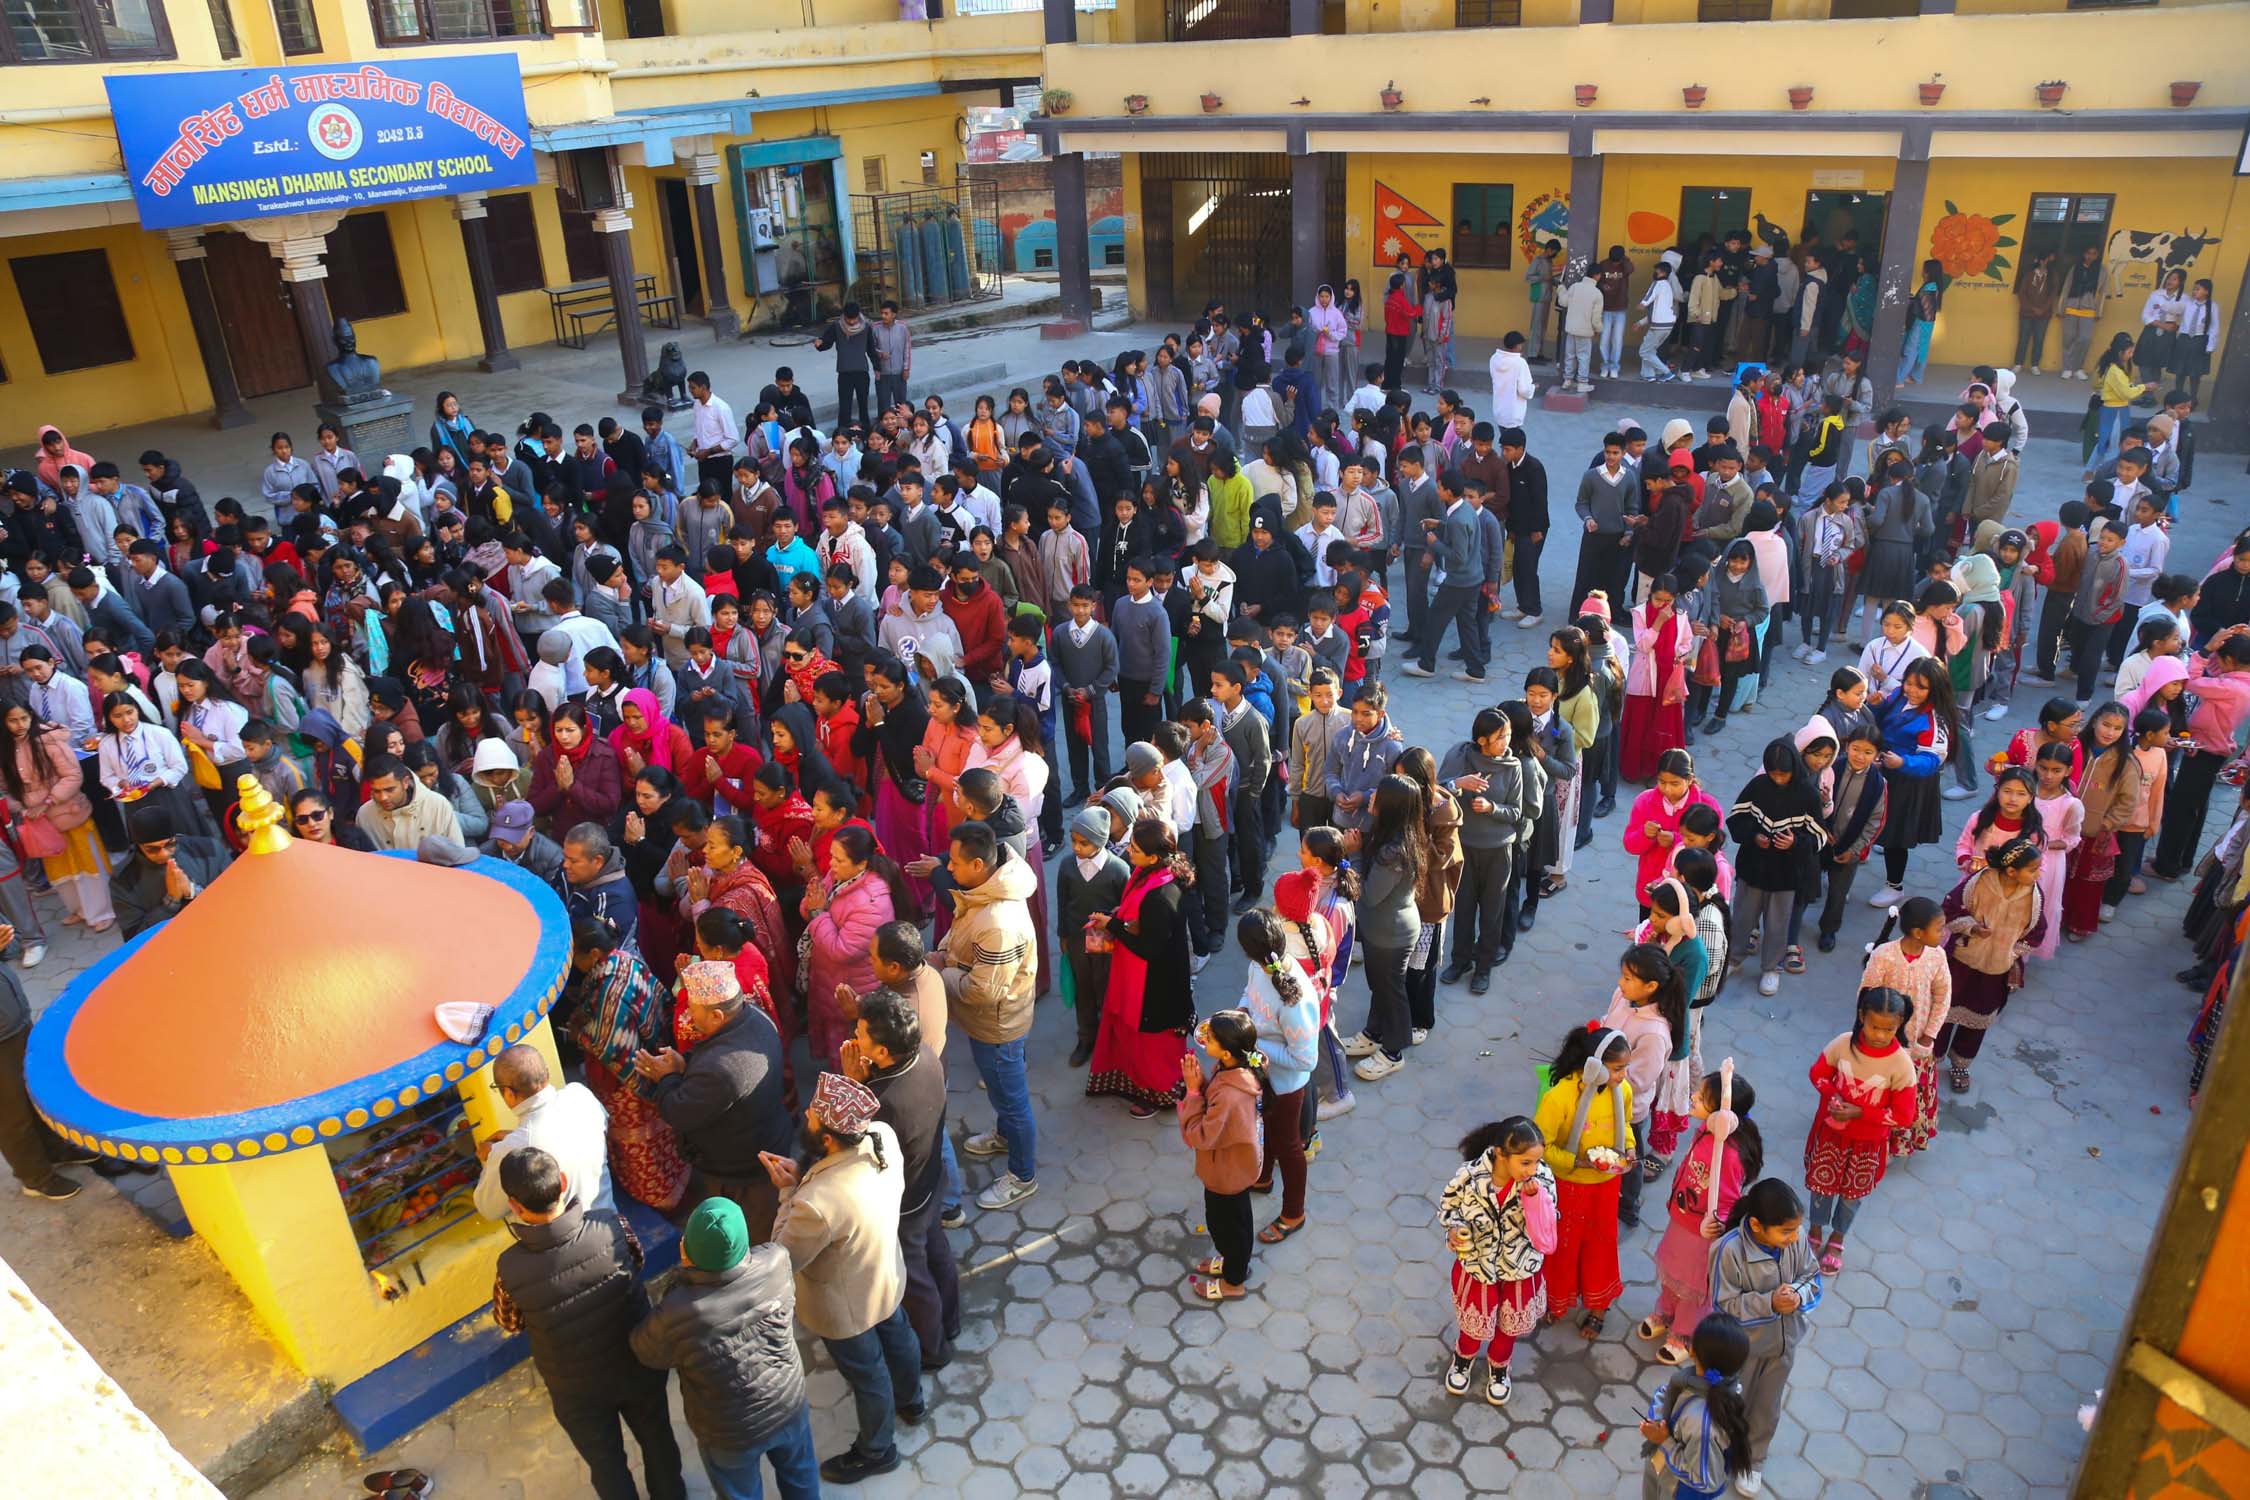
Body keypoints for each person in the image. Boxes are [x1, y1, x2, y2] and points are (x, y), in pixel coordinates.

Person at [489, 1147, 688, 1500]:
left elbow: (510, 1321)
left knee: (607, 1465)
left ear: (515, 1206)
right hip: (639, 1360)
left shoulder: (509, 1268)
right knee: (658, 1441)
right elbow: (636, 1262)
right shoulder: (610, 1224)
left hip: (577, 1391)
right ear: (563, 1183)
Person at [761, 1070, 922, 1484]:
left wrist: (787, 1192)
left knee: (868, 1373)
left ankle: (877, 1449)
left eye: (814, 1116)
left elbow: (784, 1257)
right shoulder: (880, 1136)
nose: (808, 1118)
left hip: (845, 1309)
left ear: (829, 1139)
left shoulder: (817, 1201)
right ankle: (912, 1400)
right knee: (898, 1333)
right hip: (885, 1276)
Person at [631, 1196, 818, 1500]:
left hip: (727, 1433)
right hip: (788, 1402)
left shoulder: (676, 1311)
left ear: (684, 1250)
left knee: (739, 1493)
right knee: (801, 1473)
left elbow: (646, 1352)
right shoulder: (776, 1261)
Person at [840, 986, 959, 1369]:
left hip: (905, 1201)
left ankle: (934, 1350)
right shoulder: (925, 1055)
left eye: (860, 1035)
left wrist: (855, 1085)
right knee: (937, 1250)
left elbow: (851, 1142)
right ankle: (952, 1322)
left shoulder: (882, 1098)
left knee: (915, 1275)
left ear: (882, 1053)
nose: (854, 1040)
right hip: (931, 1180)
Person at [635, 960, 794, 1239]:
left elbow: (678, 1111)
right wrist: (684, 1064)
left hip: (740, 1172)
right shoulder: (754, 1016)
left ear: (718, 1016)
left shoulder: (722, 1069)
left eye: (693, 1011)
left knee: (743, 1240)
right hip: (767, 1139)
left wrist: (667, 1077)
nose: (688, 1017)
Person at [937, 820, 1041, 1209]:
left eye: (954, 862)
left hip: (998, 1024)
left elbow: (985, 990)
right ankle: (1004, 1135)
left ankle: (1022, 1174)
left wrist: (941, 972)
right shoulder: (983, 893)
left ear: (979, 865)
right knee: (1001, 1094)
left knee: (1013, 1101)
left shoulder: (998, 923)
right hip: (987, 1022)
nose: (949, 868)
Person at [1638, 1068, 1760, 1370]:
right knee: (1672, 1268)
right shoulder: (1705, 1131)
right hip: (1681, 1219)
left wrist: (1716, 1223)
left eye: (1702, 1098)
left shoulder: (1728, 1155)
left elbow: (1729, 1200)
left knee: (1694, 1283)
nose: (1693, 1097)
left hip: (1701, 1233)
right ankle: (1665, 1312)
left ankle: (1684, 1333)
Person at [1709, 1178, 1821, 1498]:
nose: (1795, 1237)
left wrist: (1798, 1296)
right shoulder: (1729, 1251)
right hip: (1742, 1349)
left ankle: (1753, 1460)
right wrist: (1770, 1302)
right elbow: (1723, 1304)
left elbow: (1811, 1277)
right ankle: (1717, 1453)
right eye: (1786, 1231)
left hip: (1784, 1345)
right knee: (1732, 1402)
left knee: (1767, 1407)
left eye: (1796, 1229)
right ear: (1757, 1225)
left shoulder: (1794, 1242)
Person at [1085, 816, 1195, 1117]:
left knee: (1152, 1047)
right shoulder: (1157, 874)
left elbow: (1149, 948)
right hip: (1151, 977)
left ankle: (1157, 1095)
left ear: (1153, 856)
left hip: (1155, 986)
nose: (1128, 851)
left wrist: (1115, 925)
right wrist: (1118, 916)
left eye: (1134, 848)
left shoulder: (1160, 897)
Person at [1534, 1023, 1635, 1339]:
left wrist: (1629, 1149)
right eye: (1617, 1069)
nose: (1623, 1076)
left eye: (1625, 1069)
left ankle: (1598, 1305)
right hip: (1568, 1187)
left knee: (1600, 1244)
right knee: (1562, 1246)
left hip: (1606, 1186)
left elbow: (1626, 1125)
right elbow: (1541, 1148)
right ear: (1594, 1065)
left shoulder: (1623, 1092)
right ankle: (1555, 1300)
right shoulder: (1560, 1097)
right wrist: (1576, 1162)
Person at [1932, 837, 2048, 1096]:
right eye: (2033, 869)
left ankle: (1961, 1065)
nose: (2038, 874)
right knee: (1942, 1013)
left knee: (1978, 1021)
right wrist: (1971, 927)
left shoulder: (2034, 897)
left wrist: (2010, 954)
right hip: (1961, 962)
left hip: (1996, 971)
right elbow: (1948, 911)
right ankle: (1930, 1059)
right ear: (2010, 871)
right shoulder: (1978, 883)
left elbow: (2037, 933)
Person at [1177, 1008, 1269, 1302]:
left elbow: (1200, 1135)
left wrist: (1193, 1093)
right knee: (1234, 1223)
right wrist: (1202, 1082)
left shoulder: (1232, 1093)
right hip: (1235, 1168)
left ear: (1227, 1052)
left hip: (1227, 1174)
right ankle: (1233, 1264)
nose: (1205, 1040)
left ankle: (1234, 1281)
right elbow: (1216, 1104)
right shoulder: (1235, 1070)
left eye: (1211, 1038)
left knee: (1226, 1226)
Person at [472, 1042, 616, 1224]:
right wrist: (511, 1140)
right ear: (546, 1074)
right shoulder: (580, 1094)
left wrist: (491, 1159)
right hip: (609, 1222)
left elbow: (488, 1209)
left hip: (568, 1242)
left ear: (508, 1093)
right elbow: (569, 1137)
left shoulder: (509, 1152)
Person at [1639, 1315, 1755, 1500]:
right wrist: (1659, 1420)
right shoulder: (1718, 1383)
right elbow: (1667, 1394)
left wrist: (1664, 1440)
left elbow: (1704, 1480)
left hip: (1678, 1489)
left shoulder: (1702, 1424)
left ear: (1692, 1351)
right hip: (1666, 1468)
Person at [109, 802, 230, 941]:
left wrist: (193, 891)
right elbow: (135, 939)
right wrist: (170, 902)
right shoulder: (123, 880)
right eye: (152, 849)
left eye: (170, 844)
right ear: (138, 846)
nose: (164, 854)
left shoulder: (209, 849)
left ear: (176, 837)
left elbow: (235, 898)